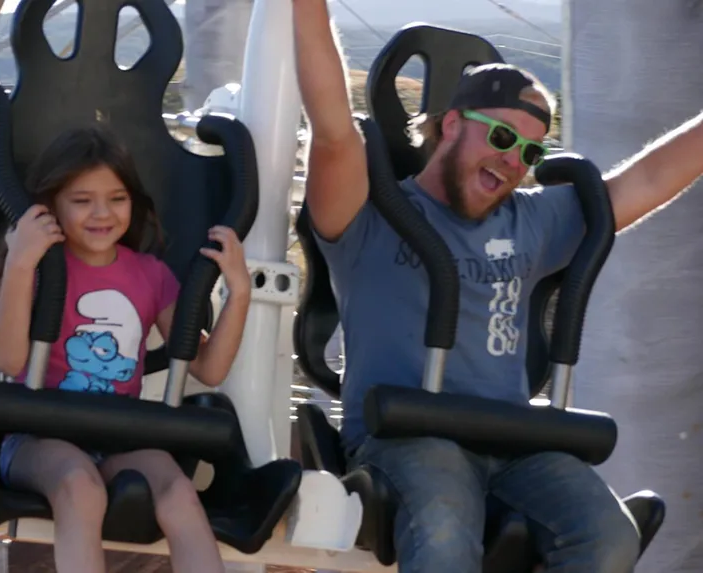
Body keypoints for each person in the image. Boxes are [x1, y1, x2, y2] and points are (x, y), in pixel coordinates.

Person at [292, 0, 703, 571]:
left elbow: (649, 179)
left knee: (610, 536)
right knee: (443, 530)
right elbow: (333, 128)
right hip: (406, 435)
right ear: (453, 124)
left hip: (512, 440)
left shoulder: (531, 220)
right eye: (503, 138)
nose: (515, 161)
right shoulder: (371, 213)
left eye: (532, 152)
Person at [0, 123, 253, 573]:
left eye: (116, 198)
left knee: (179, 495)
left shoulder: (151, 276)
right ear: (52, 204)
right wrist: (19, 263)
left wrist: (240, 292)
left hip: (117, 438)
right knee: (80, 486)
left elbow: (208, 369)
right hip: (39, 437)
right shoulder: (38, 268)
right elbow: (13, 359)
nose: (102, 213)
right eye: (81, 200)